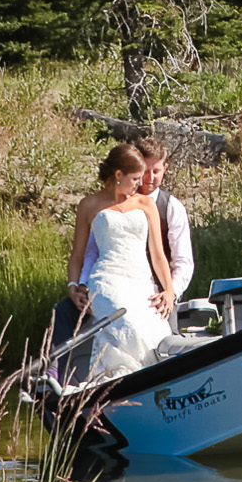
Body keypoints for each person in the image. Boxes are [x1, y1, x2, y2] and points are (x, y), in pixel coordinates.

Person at [62, 143, 176, 379]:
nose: (140, 183)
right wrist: (73, 287)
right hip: (107, 280)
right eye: (135, 178)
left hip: (140, 282)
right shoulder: (89, 205)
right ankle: (121, 382)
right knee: (131, 329)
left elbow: (158, 255)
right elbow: (77, 256)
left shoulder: (146, 204)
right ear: (118, 175)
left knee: (156, 332)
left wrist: (169, 291)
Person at [133, 136, 195, 321]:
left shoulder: (172, 207)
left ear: (165, 169)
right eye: (144, 170)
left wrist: (170, 293)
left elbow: (183, 261)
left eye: (156, 171)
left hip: (159, 295)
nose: (149, 178)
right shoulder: (117, 202)